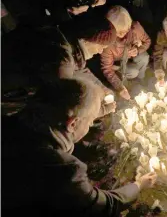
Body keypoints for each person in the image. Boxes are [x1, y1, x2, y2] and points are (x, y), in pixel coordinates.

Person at [2, 78, 157, 217]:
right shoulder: (63, 168)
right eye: (90, 122)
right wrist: (138, 185)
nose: (90, 126)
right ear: (73, 123)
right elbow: (103, 205)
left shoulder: (10, 122)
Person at [28, 13, 116, 96]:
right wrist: (102, 110)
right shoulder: (64, 61)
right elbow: (63, 101)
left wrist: (102, 89)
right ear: (86, 40)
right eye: (101, 47)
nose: (100, 51)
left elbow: (80, 70)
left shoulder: (72, 45)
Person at [101, 6, 151, 100]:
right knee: (133, 71)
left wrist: (137, 50)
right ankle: (127, 83)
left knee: (144, 57)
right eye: (118, 32)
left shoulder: (135, 28)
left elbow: (147, 41)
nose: (122, 35)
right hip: (118, 63)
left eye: (125, 31)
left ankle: (140, 79)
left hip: (131, 57)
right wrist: (120, 87)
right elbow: (107, 69)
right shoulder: (108, 42)